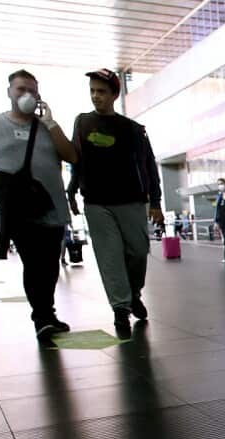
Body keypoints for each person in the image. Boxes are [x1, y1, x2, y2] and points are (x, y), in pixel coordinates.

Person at [0, 69, 79, 342]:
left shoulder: (46, 127)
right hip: (19, 210)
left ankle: (47, 312)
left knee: (49, 266)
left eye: (32, 91)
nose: (26, 95)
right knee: (33, 263)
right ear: (9, 92)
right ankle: (42, 318)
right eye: (21, 89)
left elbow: (72, 156)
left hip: (53, 209)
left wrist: (51, 123)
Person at [66, 68, 164, 340]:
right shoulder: (83, 123)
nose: (96, 96)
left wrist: (155, 202)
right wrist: (71, 191)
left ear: (113, 94)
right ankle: (120, 308)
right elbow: (77, 160)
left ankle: (133, 294)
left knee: (137, 252)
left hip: (132, 200)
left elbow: (149, 167)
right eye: (92, 91)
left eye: (101, 91)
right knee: (110, 256)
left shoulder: (133, 130)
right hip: (97, 203)